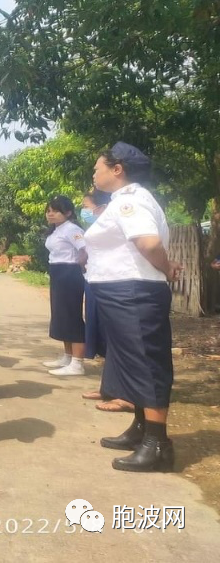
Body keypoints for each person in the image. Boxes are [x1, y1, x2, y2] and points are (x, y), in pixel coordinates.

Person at [87, 142, 181, 472]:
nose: (94, 173)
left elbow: (149, 243)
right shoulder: (123, 202)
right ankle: (141, 430)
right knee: (132, 362)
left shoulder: (130, 202)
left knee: (147, 363)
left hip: (133, 293)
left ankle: (157, 445)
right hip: (122, 292)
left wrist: (167, 267)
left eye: (98, 168)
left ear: (118, 170)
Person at [78, 189, 135, 413]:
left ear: (101, 208)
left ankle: (126, 395)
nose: (85, 211)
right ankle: (109, 388)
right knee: (105, 338)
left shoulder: (121, 218)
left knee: (119, 339)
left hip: (117, 284)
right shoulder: (97, 228)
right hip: (97, 283)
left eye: (87, 206)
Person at [42, 195, 88, 376]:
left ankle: (78, 363)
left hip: (70, 273)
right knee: (61, 315)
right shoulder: (56, 230)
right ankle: (67, 356)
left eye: (55, 211)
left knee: (71, 315)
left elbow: (84, 250)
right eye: (48, 211)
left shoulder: (72, 229)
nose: (50, 214)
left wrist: (81, 270)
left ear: (68, 212)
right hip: (58, 272)